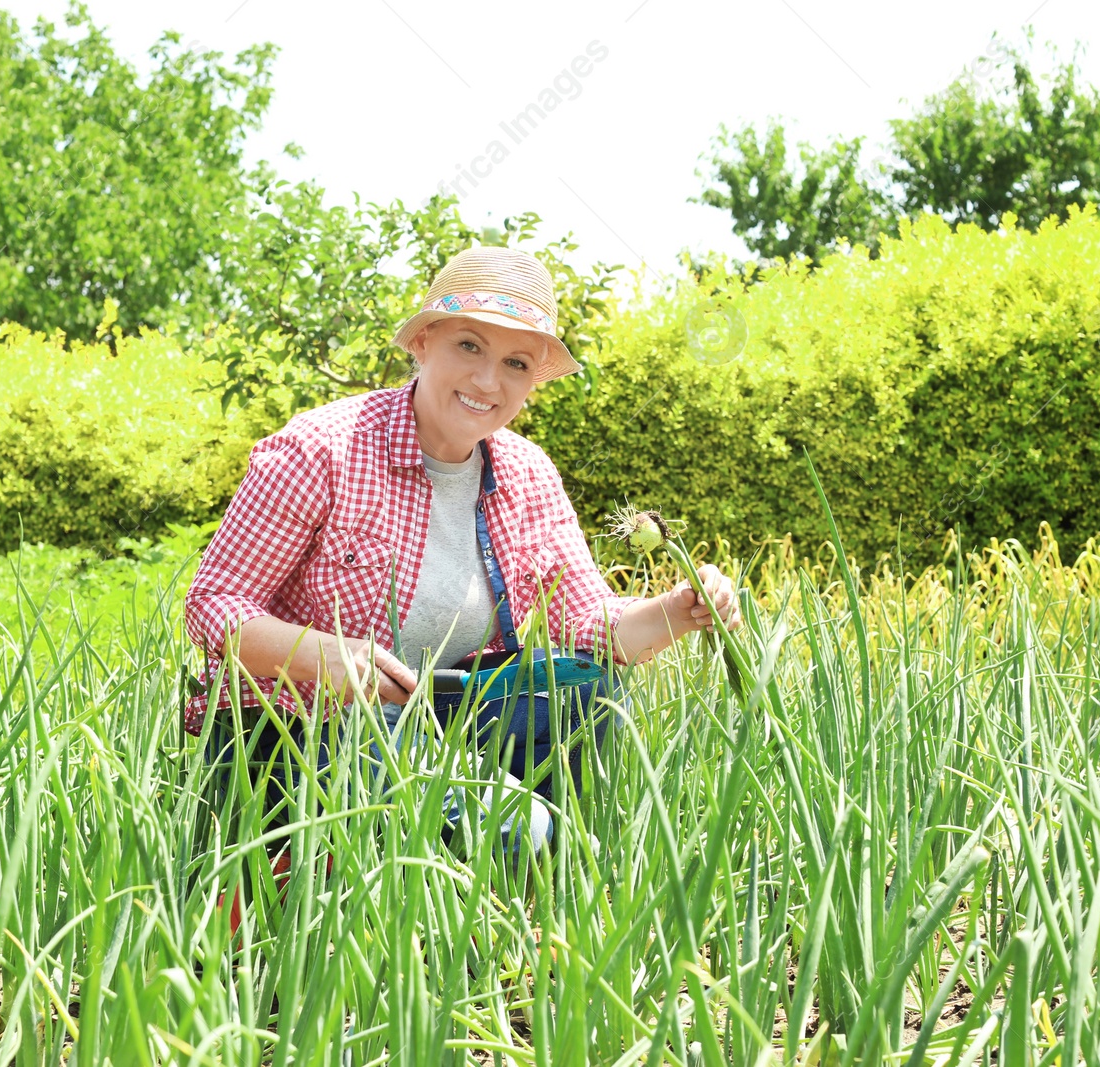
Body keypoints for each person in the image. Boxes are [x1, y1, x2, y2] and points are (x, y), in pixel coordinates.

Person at [182, 245, 740, 858]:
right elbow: (213, 604)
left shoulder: (527, 473)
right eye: (469, 346)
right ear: (424, 342)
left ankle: (545, 887)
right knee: (516, 830)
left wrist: (677, 610)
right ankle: (473, 874)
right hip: (310, 727)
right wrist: (321, 655)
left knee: (592, 688)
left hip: (447, 714)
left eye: (516, 363)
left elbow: (587, 625)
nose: (487, 381)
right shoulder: (322, 451)